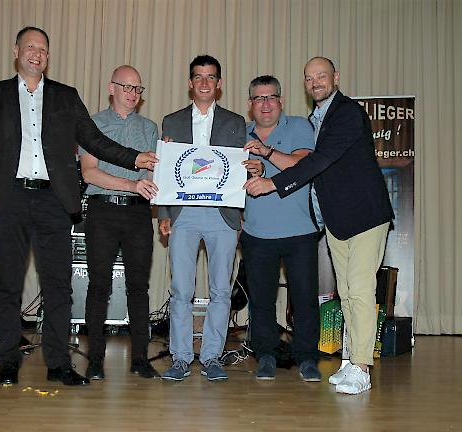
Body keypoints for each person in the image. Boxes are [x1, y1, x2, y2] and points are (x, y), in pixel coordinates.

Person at [0, 27, 157, 387]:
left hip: (54, 200)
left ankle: (58, 364)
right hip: (9, 199)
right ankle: (7, 362)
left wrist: (136, 158)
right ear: (16, 51)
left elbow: (95, 141)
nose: (37, 54)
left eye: (43, 49)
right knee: (7, 285)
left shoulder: (66, 97)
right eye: (31, 47)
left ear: (48, 57)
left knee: (58, 286)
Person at [244, 57, 394, 394]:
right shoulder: (317, 118)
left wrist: (273, 183)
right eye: (310, 78)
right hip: (337, 219)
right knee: (347, 294)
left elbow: (318, 161)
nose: (315, 82)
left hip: (365, 215)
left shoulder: (346, 113)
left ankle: (361, 366)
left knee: (359, 290)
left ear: (335, 77)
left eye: (321, 76)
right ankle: (350, 362)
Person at [158, 55, 246, 381]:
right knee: (181, 289)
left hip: (223, 216)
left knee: (220, 290)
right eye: (199, 77)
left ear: (219, 84)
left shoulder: (237, 122)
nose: (205, 83)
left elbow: (239, 172)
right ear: (190, 83)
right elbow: (165, 171)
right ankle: (180, 358)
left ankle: (211, 357)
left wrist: (238, 217)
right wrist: (163, 214)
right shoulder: (171, 121)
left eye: (211, 77)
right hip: (183, 213)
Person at [79, 65, 160, 380]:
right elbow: (89, 172)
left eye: (138, 88)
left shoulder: (150, 128)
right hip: (102, 212)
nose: (132, 93)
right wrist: (131, 184)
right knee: (99, 286)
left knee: (138, 287)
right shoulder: (92, 125)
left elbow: (152, 177)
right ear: (111, 88)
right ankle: (95, 359)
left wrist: (163, 166)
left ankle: (140, 358)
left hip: (139, 214)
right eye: (126, 86)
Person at [241, 75, 322, 382]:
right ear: (250, 104)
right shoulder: (239, 134)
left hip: (299, 230)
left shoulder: (300, 126)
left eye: (271, 97)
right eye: (259, 98)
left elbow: (303, 166)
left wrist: (266, 154)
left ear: (281, 101)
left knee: (304, 297)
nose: (265, 104)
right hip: (256, 232)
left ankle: (306, 357)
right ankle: (265, 355)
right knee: (261, 300)